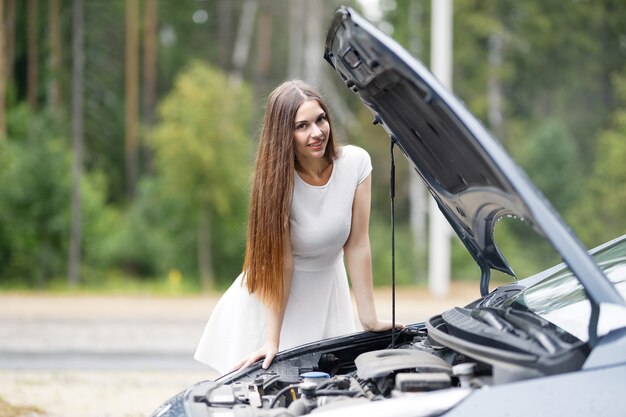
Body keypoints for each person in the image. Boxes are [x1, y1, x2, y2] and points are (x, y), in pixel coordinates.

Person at [194, 80, 401, 374]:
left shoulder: (356, 163)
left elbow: (357, 245)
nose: (316, 132)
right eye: (301, 126)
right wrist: (272, 340)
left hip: (329, 291)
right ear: (283, 134)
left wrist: (369, 319)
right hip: (274, 300)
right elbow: (282, 263)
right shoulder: (276, 183)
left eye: (320, 119)